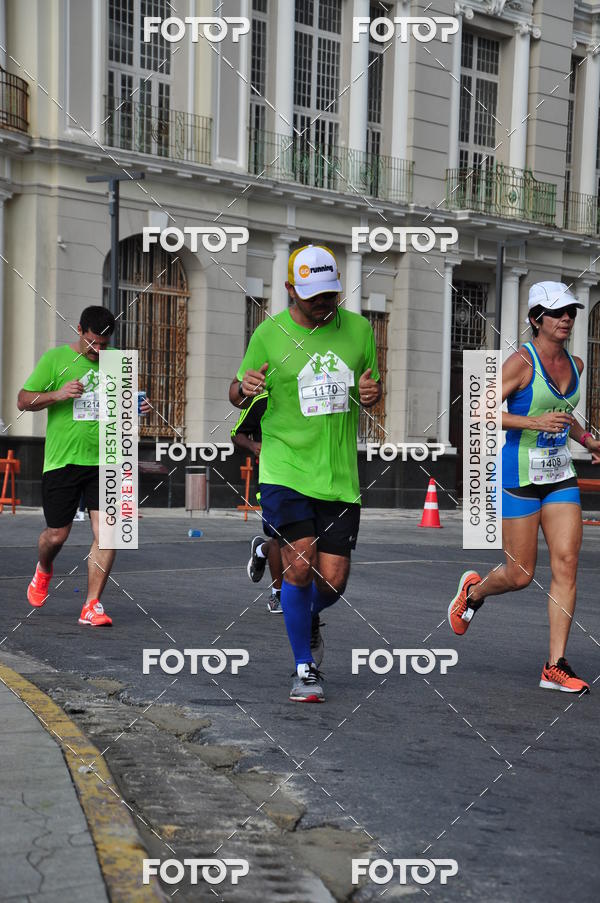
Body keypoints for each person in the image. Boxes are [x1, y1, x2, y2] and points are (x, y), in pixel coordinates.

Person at [229, 244, 382, 702]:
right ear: (290, 290)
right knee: (298, 567)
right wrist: (245, 387)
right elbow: (237, 395)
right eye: (313, 295)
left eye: (330, 294)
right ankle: (304, 667)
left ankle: (298, 603)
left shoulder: (358, 330)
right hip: (284, 467)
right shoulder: (269, 335)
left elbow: (371, 385)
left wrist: (374, 393)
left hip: (337, 476)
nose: (323, 303)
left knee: (332, 580)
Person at [448, 281, 600, 692]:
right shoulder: (521, 362)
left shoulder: (577, 365)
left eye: (571, 311)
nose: (567, 318)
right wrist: (533, 422)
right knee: (519, 574)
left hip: (559, 475)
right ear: (536, 320)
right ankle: (474, 592)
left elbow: (564, 416)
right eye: (557, 312)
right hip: (518, 475)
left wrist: (587, 441)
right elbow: (479, 412)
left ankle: (555, 665)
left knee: (567, 562)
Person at [17, 305, 150, 627]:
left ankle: (91, 605)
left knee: (108, 533)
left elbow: (122, 406)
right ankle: (44, 569)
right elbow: (23, 400)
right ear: (80, 330)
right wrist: (58, 394)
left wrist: (136, 407)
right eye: (92, 343)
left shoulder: (118, 361)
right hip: (63, 459)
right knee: (56, 535)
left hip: (107, 459)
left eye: (104, 345)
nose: (98, 350)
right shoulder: (55, 359)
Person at [230, 391, 284, 613]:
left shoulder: (309, 397)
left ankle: (261, 550)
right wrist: (254, 446)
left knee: (300, 539)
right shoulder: (263, 400)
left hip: (308, 479)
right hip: (272, 479)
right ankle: (277, 596)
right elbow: (236, 433)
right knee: (281, 538)